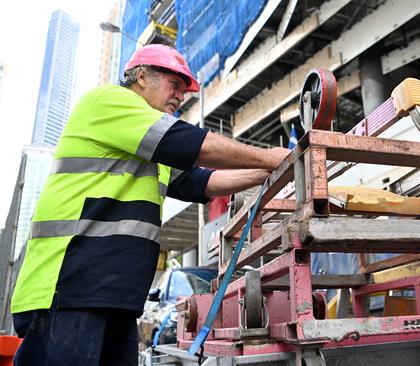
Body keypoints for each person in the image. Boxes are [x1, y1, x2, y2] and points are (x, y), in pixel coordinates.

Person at [10, 44, 290, 365]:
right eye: (175, 85)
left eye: (184, 92)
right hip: (69, 288)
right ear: (142, 77)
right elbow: (189, 143)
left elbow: (202, 182)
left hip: (116, 296)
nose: (180, 97)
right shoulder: (109, 102)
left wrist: (269, 169)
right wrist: (269, 155)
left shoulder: (147, 147)